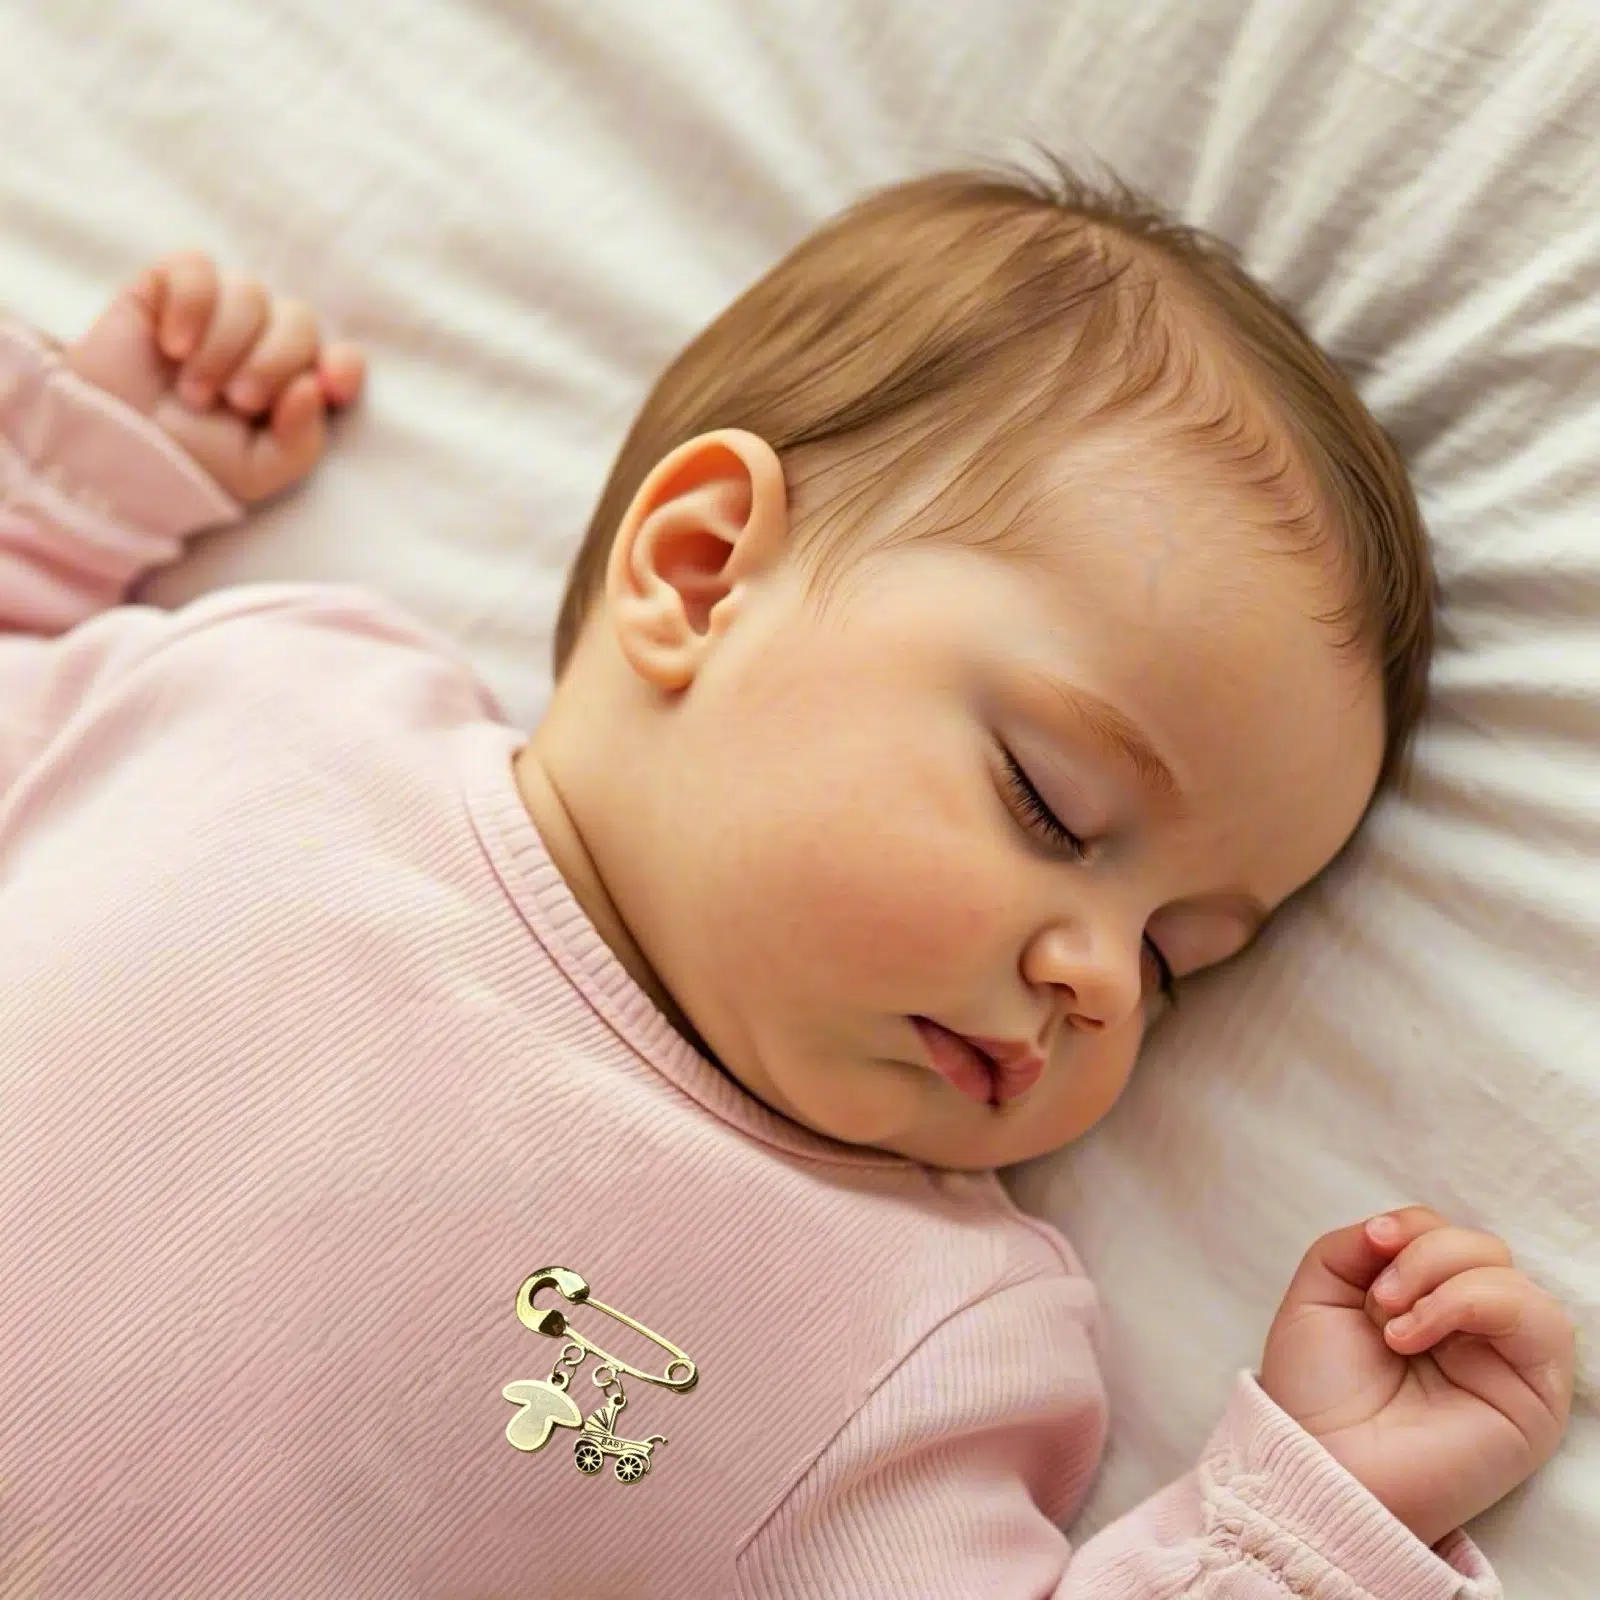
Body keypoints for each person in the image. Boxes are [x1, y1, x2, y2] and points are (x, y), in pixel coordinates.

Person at [0, 167, 1572, 1599]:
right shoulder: (271, 693)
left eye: (1177, 962)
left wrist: (1303, 1532)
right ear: (699, 576)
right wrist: (62, 500)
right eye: (1051, 805)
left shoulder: (913, 1336)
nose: (1100, 978)